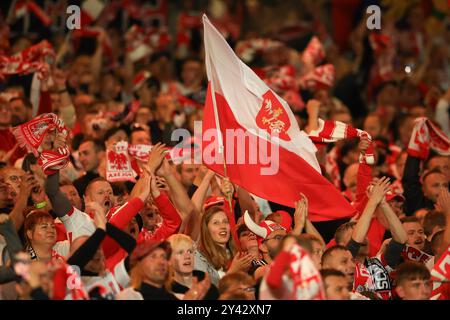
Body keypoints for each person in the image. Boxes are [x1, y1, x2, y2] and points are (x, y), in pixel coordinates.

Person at [116, 239, 210, 300]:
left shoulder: (180, 297)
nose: (161, 262)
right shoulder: (128, 297)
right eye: (153, 256)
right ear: (138, 264)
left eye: (164, 257)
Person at [194, 206, 249, 286]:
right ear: (206, 229)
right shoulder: (198, 257)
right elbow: (206, 291)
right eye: (216, 223)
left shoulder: (237, 255)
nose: (223, 226)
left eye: (225, 222)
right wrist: (233, 271)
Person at [167, 234, 219, 300]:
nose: (187, 256)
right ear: (169, 259)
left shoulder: (209, 288)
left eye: (190, 251)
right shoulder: (165, 293)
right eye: (180, 252)